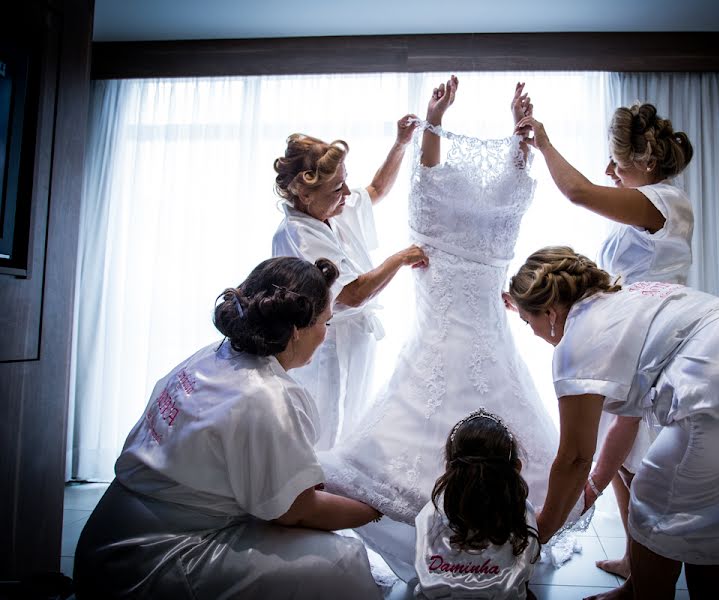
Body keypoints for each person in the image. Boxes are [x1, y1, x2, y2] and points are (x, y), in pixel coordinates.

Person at [319, 77, 588, 582]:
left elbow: (438, 175)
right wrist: (438, 121)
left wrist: (477, 127)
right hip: (451, 324)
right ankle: (455, 541)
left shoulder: (444, 188)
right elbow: (432, 170)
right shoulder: (448, 182)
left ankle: (469, 540)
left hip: (476, 324)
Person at [507, 246, 719, 600]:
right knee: (709, 518)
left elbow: (575, 456)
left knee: (651, 506)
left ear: (548, 312)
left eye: (527, 322)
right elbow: (627, 420)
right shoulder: (631, 296)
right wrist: (592, 489)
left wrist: (540, 530)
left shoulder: (577, 342)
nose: (532, 333)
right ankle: (638, 587)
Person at [74, 257, 382, 599]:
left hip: (105, 536)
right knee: (340, 562)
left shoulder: (213, 355)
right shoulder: (267, 396)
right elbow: (296, 512)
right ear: (297, 330)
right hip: (151, 560)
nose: (326, 333)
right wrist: (375, 509)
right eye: (327, 321)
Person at [515, 102, 694, 579]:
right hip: (629, 334)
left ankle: (648, 568)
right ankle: (636, 565)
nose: (609, 170)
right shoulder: (643, 208)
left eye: (617, 161)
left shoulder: (664, 202)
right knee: (625, 461)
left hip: (655, 336)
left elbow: (576, 191)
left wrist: (544, 142)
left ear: (648, 161)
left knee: (640, 466)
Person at [272, 117, 429, 450]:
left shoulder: (330, 209)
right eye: (336, 189)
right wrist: (398, 259)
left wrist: (400, 143)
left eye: (345, 182)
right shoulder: (299, 235)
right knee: (328, 426)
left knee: (354, 417)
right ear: (304, 193)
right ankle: (319, 491)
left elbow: (376, 190)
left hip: (355, 339)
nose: (346, 194)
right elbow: (353, 294)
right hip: (326, 347)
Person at [414, 408, 540, 600]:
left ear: (449, 468)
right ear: (517, 467)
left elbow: (424, 561)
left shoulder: (432, 511)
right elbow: (526, 567)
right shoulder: (521, 511)